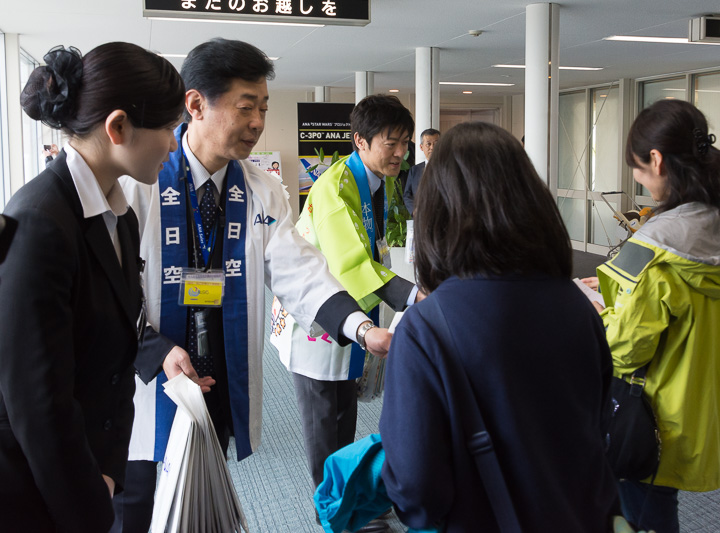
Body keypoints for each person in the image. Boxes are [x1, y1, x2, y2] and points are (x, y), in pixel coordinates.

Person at [114, 38, 391, 533]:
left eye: (264, 107)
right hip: (148, 376)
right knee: (138, 503)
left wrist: (360, 328)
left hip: (217, 375)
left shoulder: (261, 189)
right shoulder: (139, 181)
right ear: (195, 104)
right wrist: (154, 348)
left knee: (198, 497)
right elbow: (112, 291)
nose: (258, 122)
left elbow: (299, 271)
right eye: (246, 107)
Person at [378, 121, 619, 531]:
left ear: (438, 210)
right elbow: (597, 427)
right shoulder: (579, 306)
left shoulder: (426, 328)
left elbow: (416, 489)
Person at [0, 42, 186, 533]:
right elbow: (37, 402)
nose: (174, 145)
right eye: (169, 128)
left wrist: (106, 471)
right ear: (118, 127)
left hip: (90, 469)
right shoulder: (39, 222)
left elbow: (114, 352)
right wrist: (89, 503)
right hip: (35, 489)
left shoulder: (117, 215)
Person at [594, 99, 720, 532]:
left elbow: (624, 348)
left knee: (642, 512)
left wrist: (599, 313)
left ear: (657, 159)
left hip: (651, 412)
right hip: (703, 401)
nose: (636, 178)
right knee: (658, 504)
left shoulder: (658, 245)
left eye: (636, 167)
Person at [276, 93, 422, 532]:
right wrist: (415, 297)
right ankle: (333, 510)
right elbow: (351, 262)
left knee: (345, 409)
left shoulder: (380, 179)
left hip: (353, 312)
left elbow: (383, 245)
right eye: (391, 143)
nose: (400, 153)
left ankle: (350, 496)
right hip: (317, 316)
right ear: (360, 141)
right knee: (323, 418)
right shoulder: (336, 186)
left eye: (405, 143)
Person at [403, 128, 439, 215]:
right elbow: (407, 195)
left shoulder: (449, 169)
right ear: (421, 147)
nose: (432, 147)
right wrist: (414, 210)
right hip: (420, 217)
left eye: (436, 144)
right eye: (428, 144)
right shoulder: (414, 170)